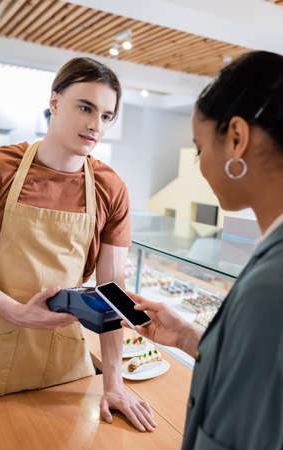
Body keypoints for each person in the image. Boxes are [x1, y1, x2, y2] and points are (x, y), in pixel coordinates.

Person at [0, 57, 156, 432]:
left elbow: (113, 293)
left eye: (107, 115)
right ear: (55, 102)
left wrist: (114, 384)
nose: (96, 125)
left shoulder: (110, 188)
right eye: (85, 107)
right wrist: (16, 312)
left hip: (64, 369)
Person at [123, 50, 283, 449]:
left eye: (199, 148)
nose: (199, 164)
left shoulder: (272, 282)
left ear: (236, 138)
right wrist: (191, 338)